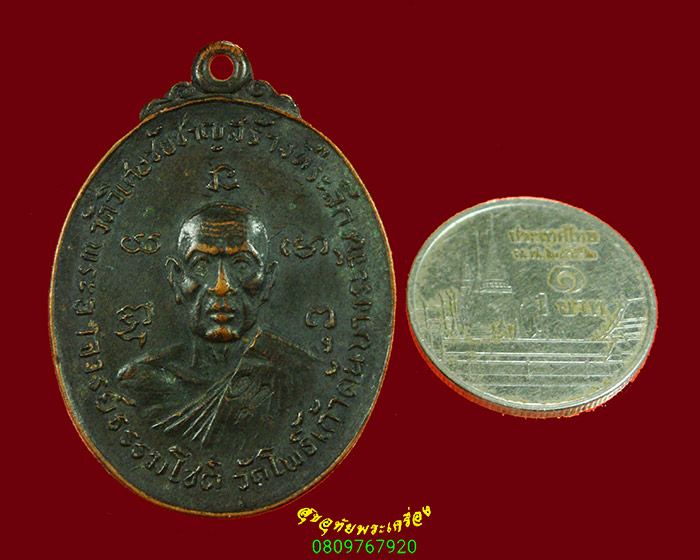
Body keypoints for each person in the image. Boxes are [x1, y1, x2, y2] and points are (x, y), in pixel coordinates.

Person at [118, 204, 317, 454]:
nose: (221, 286)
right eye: (201, 265)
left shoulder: (300, 376)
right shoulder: (143, 382)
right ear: (176, 278)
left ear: (268, 279)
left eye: (241, 265)